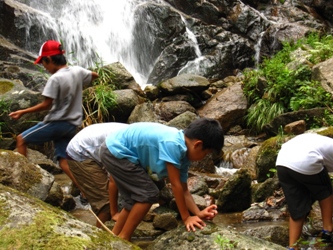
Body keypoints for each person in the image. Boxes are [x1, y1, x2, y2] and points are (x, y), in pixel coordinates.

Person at [99, 118, 224, 241]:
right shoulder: (173, 145)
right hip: (115, 151)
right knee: (148, 194)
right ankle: (124, 238)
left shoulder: (184, 154)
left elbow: (184, 190)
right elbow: (175, 185)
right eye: (206, 153)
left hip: (118, 151)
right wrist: (186, 218)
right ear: (198, 144)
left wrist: (198, 213)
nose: (205, 157)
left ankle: (113, 239)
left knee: (135, 199)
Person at [9, 40, 99, 190]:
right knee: (64, 162)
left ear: (49, 59)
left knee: (21, 139)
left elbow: (46, 105)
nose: (44, 66)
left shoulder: (55, 79)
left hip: (57, 123)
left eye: (44, 63)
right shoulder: (77, 71)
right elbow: (94, 75)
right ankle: (85, 191)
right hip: (72, 125)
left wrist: (22, 111)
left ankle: (22, 182)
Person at [276, 133, 333, 250]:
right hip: (306, 159)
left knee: (297, 207)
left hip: (282, 161)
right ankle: (328, 229)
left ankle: (293, 246)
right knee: (325, 191)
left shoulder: (323, 142)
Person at [66, 122, 129, 227]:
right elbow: (113, 180)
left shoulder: (142, 140)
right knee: (105, 202)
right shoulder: (125, 145)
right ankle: (99, 237)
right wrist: (114, 213)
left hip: (93, 146)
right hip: (81, 152)